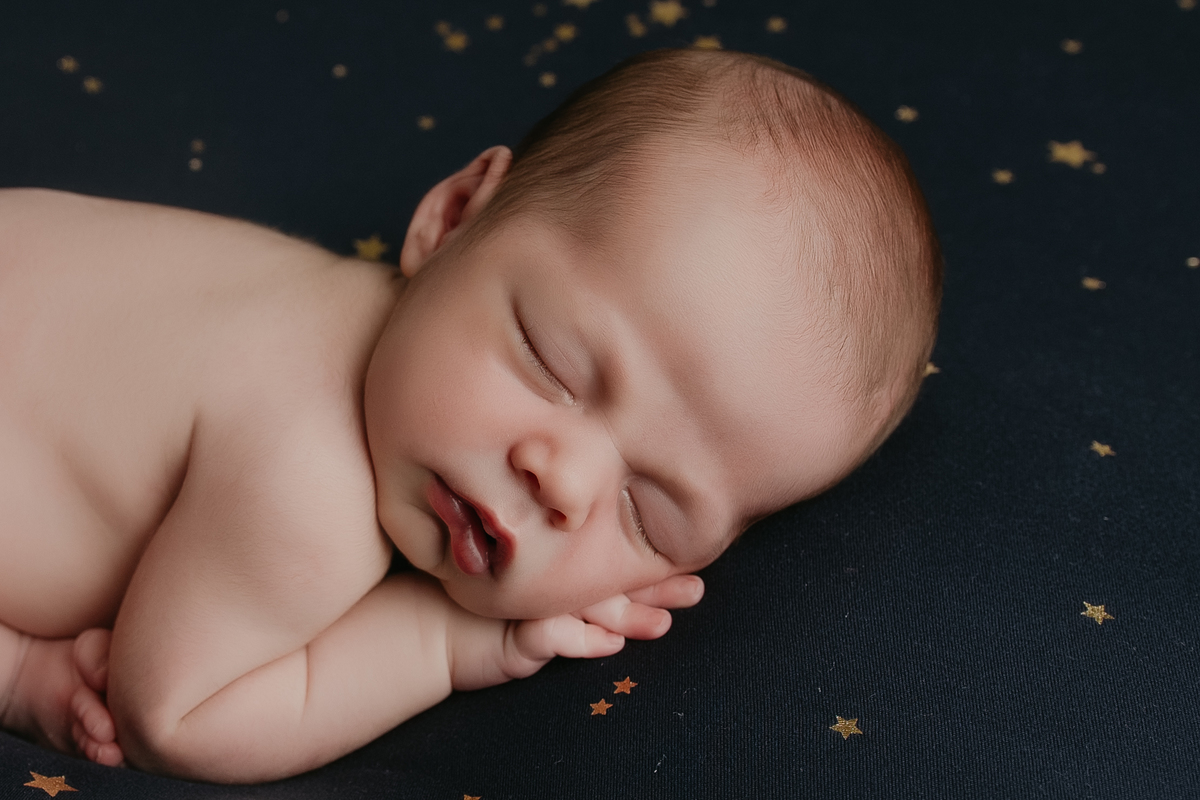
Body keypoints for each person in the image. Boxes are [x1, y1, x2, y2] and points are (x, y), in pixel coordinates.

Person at [0, 48, 941, 783]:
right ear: (450, 219)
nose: (564, 480)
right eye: (553, 362)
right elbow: (173, 719)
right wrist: (447, 644)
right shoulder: (307, 484)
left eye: (647, 512)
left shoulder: (347, 314)